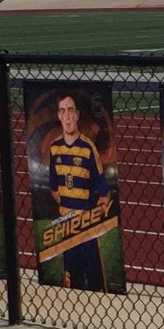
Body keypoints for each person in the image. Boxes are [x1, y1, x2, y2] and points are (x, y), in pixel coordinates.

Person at [44, 90, 110, 292]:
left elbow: (104, 194)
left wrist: (88, 217)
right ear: (59, 116)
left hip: (86, 227)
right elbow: (54, 189)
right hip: (67, 227)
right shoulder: (54, 148)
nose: (67, 116)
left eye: (71, 110)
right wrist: (68, 211)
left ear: (77, 115)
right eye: (63, 111)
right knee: (72, 283)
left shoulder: (88, 148)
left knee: (95, 283)